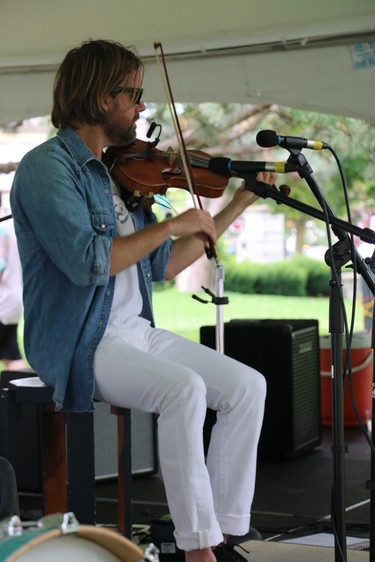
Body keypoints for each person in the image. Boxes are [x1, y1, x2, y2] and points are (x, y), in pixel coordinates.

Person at [10, 40, 277, 562]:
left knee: (248, 386)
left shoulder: (117, 174)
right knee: (185, 390)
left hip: (134, 331)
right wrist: (171, 224)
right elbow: (89, 262)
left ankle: (221, 533)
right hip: (82, 339)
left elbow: (163, 266)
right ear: (102, 97)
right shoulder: (47, 168)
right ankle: (198, 549)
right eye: (135, 95)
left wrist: (234, 206)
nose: (141, 107)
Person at [0, 215, 25, 371]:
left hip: (2, 302)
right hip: (13, 302)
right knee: (11, 355)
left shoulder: (2, 230)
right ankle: (20, 393)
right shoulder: (14, 228)